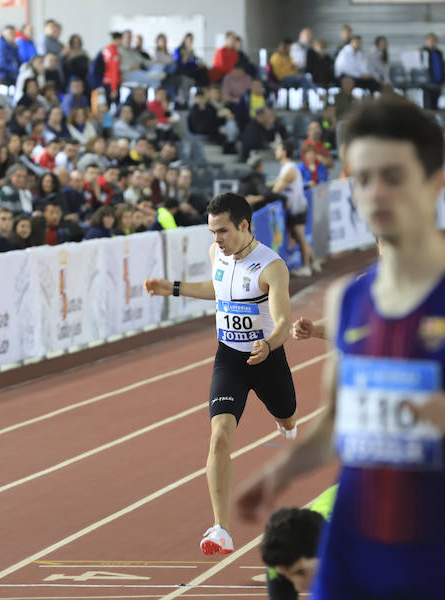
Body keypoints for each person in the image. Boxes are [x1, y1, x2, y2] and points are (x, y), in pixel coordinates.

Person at [235, 98, 445, 598]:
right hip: (351, 541)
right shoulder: (350, 298)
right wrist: (277, 472)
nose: (375, 193)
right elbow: (337, 419)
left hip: (436, 554)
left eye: (393, 176)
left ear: (436, 181)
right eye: (364, 178)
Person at [145, 192, 298, 556]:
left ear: (244, 226)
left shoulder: (271, 266)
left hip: (266, 359)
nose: (216, 240)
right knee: (218, 437)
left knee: (287, 415)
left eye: (223, 232)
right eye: (212, 232)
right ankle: (221, 529)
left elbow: (282, 321)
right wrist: (174, 288)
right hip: (229, 358)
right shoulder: (219, 254)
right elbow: (218, 289)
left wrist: (270, 344)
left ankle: (287, 425)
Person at [262, 485, 337, 600]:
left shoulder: (357, 544)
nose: (298, 588)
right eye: (287, 575)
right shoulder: (279, 562)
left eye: (301, 572)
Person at [271, 141, 316, 277]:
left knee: (299, 236)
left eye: (278, 149)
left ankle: (307, 267)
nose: (276, 152)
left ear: (284, 152)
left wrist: (260, 195)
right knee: (298, 236)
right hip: (296, 206)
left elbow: (276, 189)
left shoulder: (289, 169)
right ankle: (313, 263)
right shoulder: (287, 168)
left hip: (297, 207)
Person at [421, 33, 445, 110]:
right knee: (428, 105)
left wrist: (443, 79)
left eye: (433, 40)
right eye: (430, 40)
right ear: (426, 41)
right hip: (427, 84)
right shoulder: (422, 52)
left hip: (437, 84)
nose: (432, 42)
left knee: (435, 105)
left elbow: (442, 66)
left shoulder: (439, 53)